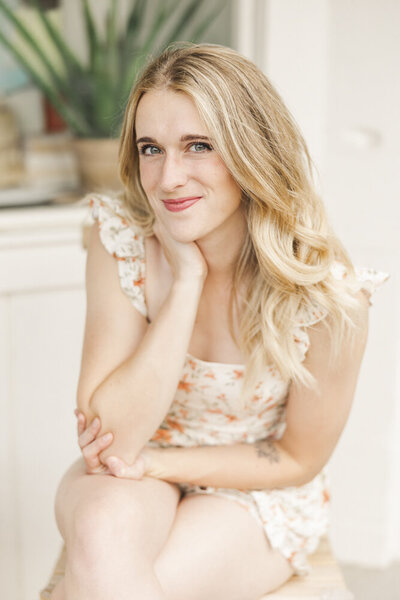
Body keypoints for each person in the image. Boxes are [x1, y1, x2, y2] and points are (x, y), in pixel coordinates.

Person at [50, 43, 387, 600]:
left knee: (111, 587)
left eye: (198, 146)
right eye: (150, 149)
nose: (167, 178)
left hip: (251, 492)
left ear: (253, 150)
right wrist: (186, 283)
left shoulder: (327, 297)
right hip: (126, 465)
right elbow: (110, 437)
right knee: (100, 531)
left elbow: (298, 458)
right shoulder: (121, 241)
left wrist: (160, 463)